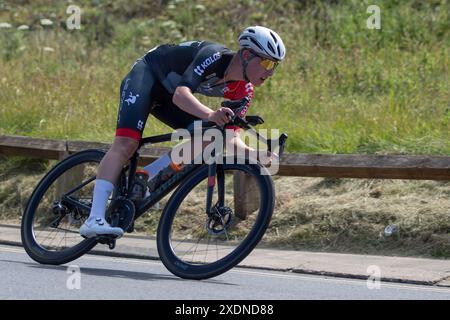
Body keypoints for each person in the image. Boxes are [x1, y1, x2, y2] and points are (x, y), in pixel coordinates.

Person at [79, 26, 286, 239]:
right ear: (245, 55)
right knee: (126, 144)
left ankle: (146, 177)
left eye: (275, 65)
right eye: (267, 62)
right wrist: (211, 114)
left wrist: (259, 154)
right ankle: (94, 219)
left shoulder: (244, 91)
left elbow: (231, 141)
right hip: (148, 76)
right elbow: (181, 95)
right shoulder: (213, 55)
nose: (270, 71)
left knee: (213, 136)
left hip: (168, 96)